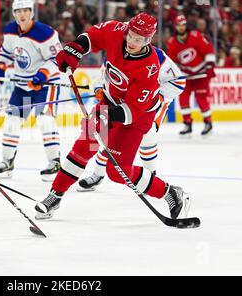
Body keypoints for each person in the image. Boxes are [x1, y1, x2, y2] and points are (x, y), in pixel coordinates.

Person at [34, 13, 191, 220]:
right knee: (84, 147)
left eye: (139, 39)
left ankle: (170, 192)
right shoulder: (117, 31)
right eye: (131, 35)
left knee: (118, 172)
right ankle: (55, 195)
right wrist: (75, 49)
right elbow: (92, 37)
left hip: (136, 118)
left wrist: (104, 114)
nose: (132, 42)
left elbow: (132, 111)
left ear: (148, 40)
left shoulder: (150, 66)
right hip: (108, 104)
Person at [77, 46, 186, 191]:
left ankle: (150, 178)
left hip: (148, 106)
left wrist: (156, 97)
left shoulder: (158, 56)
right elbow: (103, 76)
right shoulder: (116, 49)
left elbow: (178, 82)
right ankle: (98, 174)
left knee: (148, 136)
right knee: (103, 135)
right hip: (118, 103)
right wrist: (99, 88)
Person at [0, 0, 63, 182]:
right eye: (18, 11)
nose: (22, 14)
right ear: (14, 13)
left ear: (32, 12)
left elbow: (57, 59)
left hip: (46, 85)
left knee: (45, 121)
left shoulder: (45, 33)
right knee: (12, 122)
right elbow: (6, 53)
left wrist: (41, 75)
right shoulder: (10, 31)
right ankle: (7, 161)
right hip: (22, 85)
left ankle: (54, 162)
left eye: (26, 10)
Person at [166, 15, 216, 136]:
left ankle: (208, 123)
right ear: (175, 26)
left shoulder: (196, 36)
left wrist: (210, 67)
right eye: (179, 25)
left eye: (183, 25)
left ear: (186, 25)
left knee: (201, 98)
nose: (181, 27)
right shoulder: (172, 42)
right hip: (186, 75)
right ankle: (187, 123)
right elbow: (173, 62)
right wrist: (175, 74)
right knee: (183, 98)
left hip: (201, 73)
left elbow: (209, 51)